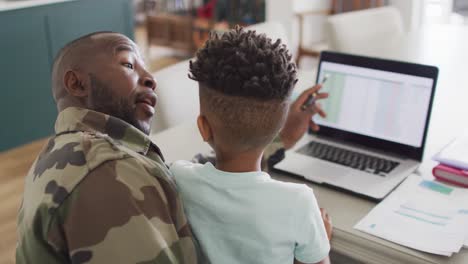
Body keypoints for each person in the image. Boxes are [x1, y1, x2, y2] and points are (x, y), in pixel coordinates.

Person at [16, 31, 328, 264]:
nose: (151, 78)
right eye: (128, 63)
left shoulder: (86, 154)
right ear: (77, 84)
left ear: (202, 126)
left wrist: (279, 137)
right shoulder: (108, 176)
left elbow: (210, 171)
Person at [169, 26, 331, 264]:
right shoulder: (298, 203)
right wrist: (322, 242)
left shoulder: (177, 177)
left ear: (204, 127)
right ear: (280, 126)